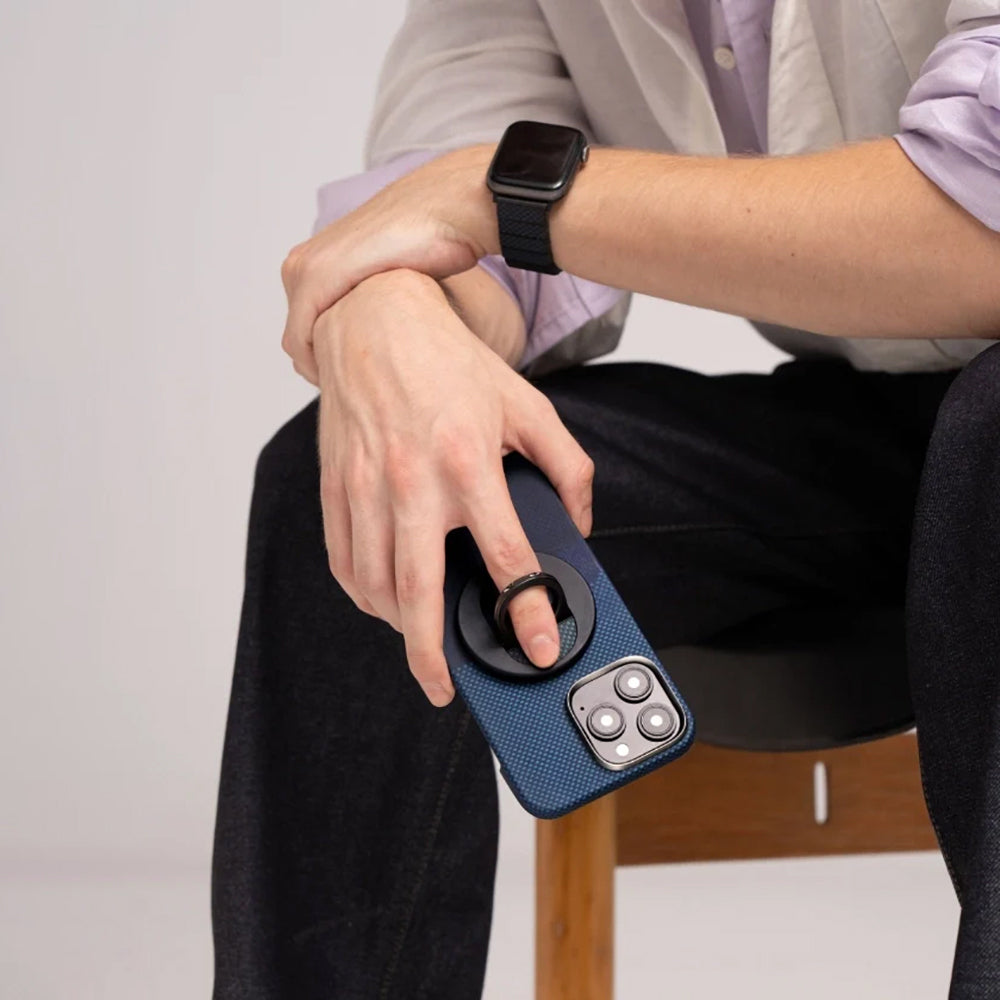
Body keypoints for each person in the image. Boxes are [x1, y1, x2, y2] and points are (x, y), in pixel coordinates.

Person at [211, 1, 1000, 996]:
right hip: (875, 434)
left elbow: (980, 211)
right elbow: (427, 224)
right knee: (384, 475)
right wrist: (389, 305)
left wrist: (494, 193)